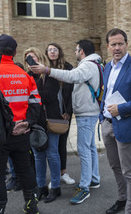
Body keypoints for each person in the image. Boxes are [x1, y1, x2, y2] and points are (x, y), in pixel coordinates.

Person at [30, 39, 101, 205]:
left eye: (76, 49)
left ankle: (84, 187)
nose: (75, 52)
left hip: (86, 112)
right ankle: (94, 179)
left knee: (84, 150)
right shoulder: (96, 63)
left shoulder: (87, 65)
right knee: (90, 148)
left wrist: (47, 70)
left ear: (81, 51)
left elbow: (71, 76)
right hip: (89, 111)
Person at [99, 28, 131, 214]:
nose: (117, 48)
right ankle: (122, 199)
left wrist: (122, 108)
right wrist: (102, 115)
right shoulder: (107, 67)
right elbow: (106, 93)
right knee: (115, 166)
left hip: (126, 125)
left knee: (130, 171)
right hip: (107, 124)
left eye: (120, 43)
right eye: (113, 44)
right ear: (108, 47)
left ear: (127, 44)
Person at [0, 34, 41, 214]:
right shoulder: (25, 74)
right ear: (14, 52)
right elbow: (36, 103)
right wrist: (27, 123)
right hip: (22, 131)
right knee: (26, 169)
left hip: (0, 134)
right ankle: (32, 206)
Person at [24, 47, 64, 203]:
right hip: (33, 122)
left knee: (52, 154)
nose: (30, 62)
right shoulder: (26, 76)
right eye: (28, 59)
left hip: (50, 121)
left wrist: (32, 88)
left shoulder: (50, 75)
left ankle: (55, 187)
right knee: (38, 156)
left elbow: (47, 97)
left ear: (40, 59)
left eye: (33, 58)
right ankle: (41, 187)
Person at [45, 43, 75, 187]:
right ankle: (55, 176)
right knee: (51, 147)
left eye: (55, 49)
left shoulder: (68, 67)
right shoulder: (44, 69)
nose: (52, 52)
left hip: (64, 112)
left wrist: (68, 112)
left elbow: (72, 93)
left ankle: (63, 173)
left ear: (59, 52)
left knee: (62, 144)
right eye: (50, 50)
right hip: (49, 113)